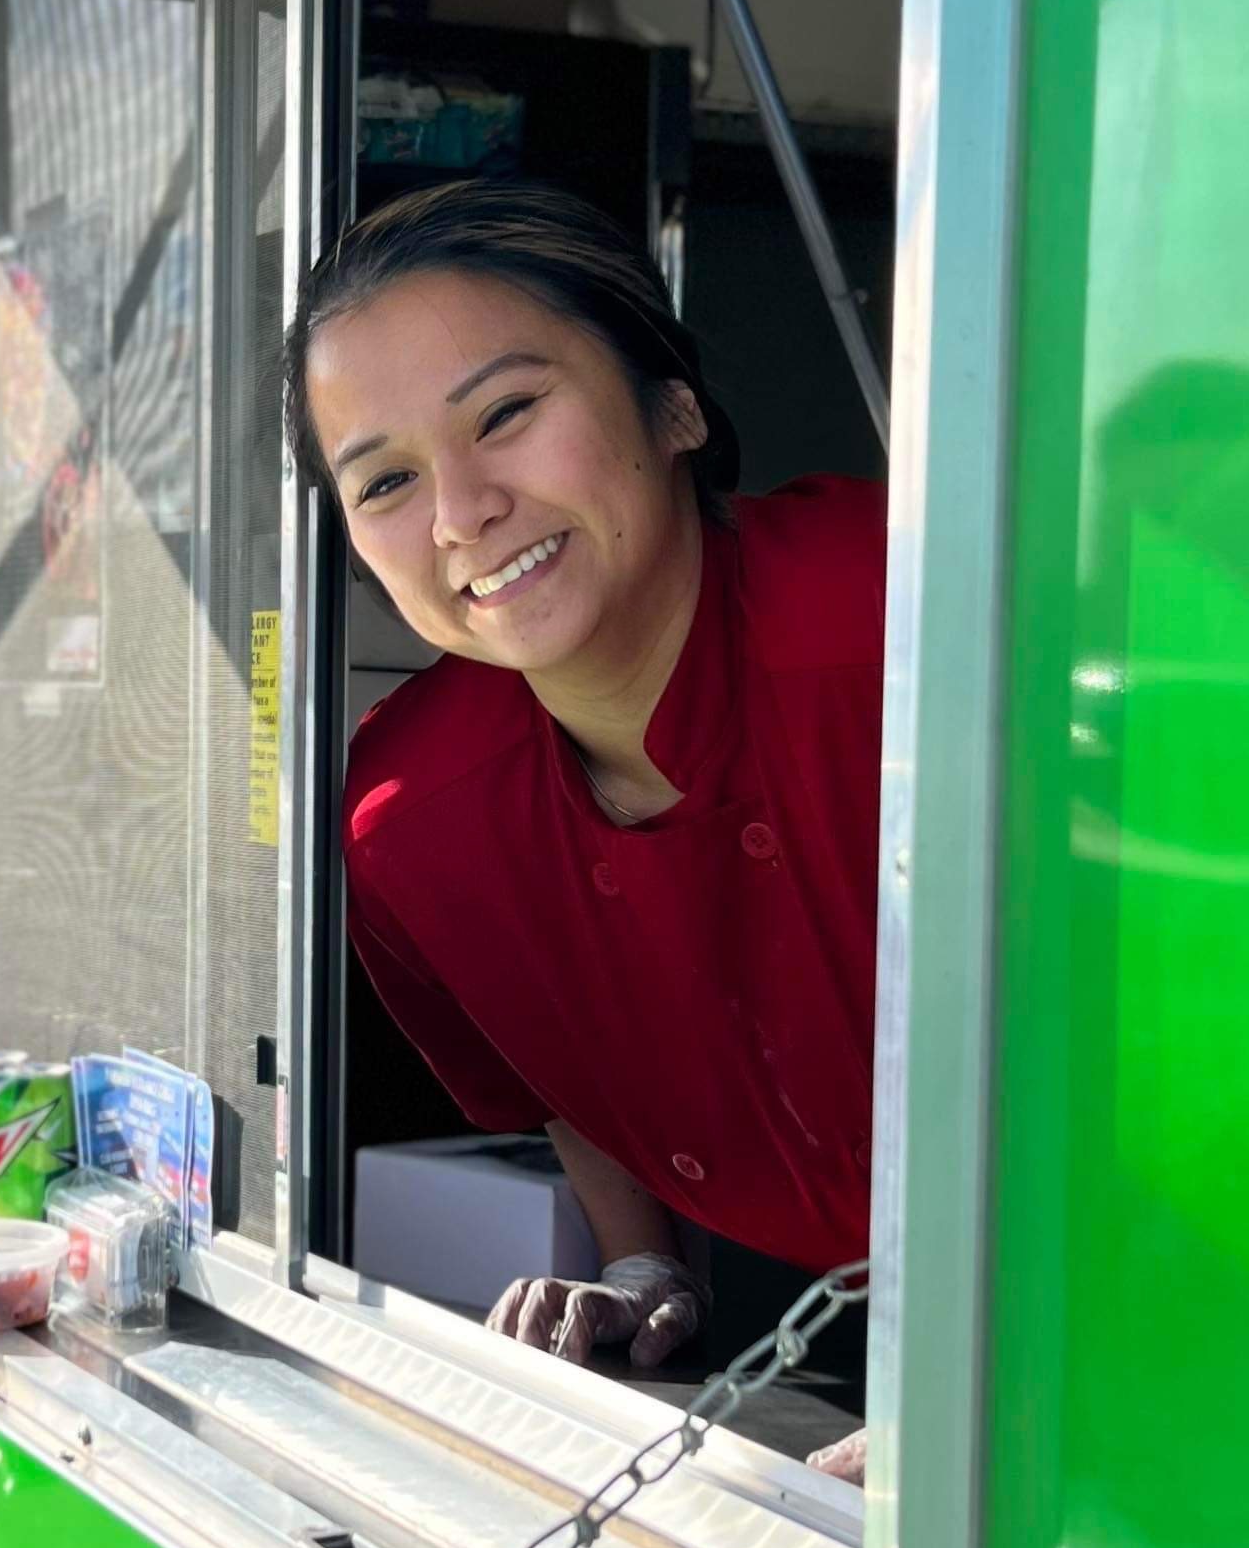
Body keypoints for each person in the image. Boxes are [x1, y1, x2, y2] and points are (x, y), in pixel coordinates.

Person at [286, 178, 881, 1477]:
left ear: (673, 402)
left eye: (506, 413)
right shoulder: (413, 820)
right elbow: (569, 1053)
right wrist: (641, 1263)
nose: (460, 512)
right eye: (384, 480)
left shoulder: (906, 615)